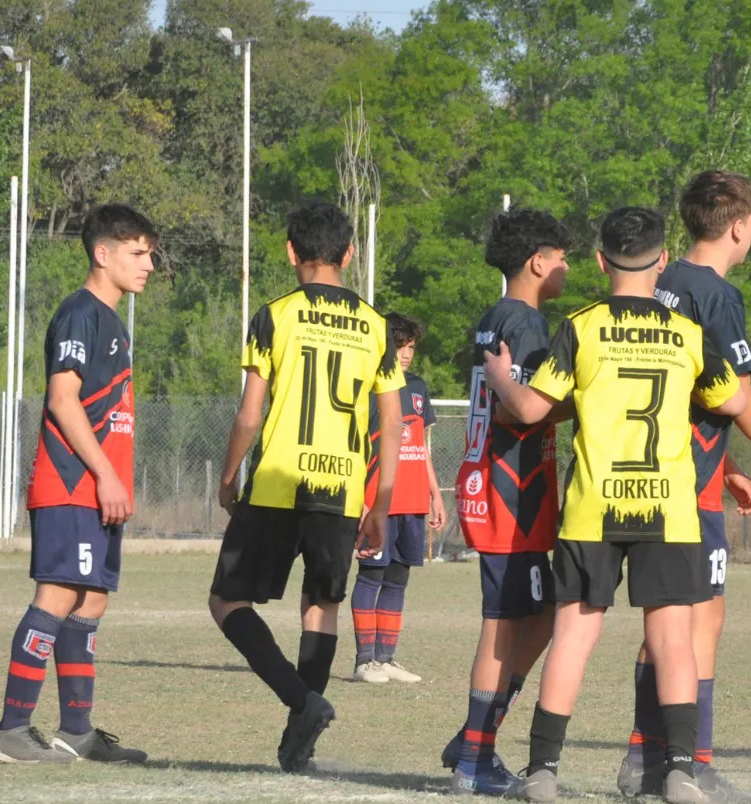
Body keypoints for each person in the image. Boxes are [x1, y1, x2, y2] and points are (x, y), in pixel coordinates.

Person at [488, 206, 747, 803]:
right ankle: (681, 770)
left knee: (574, 636)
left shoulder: (580, 326)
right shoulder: (687, 334)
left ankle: (543, 773)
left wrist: (503, 375)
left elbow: (529, 410)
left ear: (601, 261)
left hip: (593, 507)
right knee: (673, 639)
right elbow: (730, 402)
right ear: (662, 261)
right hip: (669, 508)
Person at [621, 170, 751, 802]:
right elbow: (737, 399)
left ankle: (640, 760)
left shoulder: (659, 282)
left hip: (648, 472)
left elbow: (678, 393)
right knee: (702, 618)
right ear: (740, 226)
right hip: (691, 488)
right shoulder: (717, 296)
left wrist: (732, 467)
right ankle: (691, 762)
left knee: (665, 620)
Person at [207, 201, 404, 772]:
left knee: (226, 600)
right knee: (321, 605)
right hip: (340, 488)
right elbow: (390, 421)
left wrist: (227, 477)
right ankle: (301, 741)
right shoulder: (375, 326)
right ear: (349, 253)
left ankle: (302, 703)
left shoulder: (274, 315)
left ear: (291, 253)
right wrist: (381, 503)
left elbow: (250, 414)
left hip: (274, 482)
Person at [0, 205, 157, 765]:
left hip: (100, 490)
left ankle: (76, 732)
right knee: (57, 596)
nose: (149, 264)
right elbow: (62, 399)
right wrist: (106, 473)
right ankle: (12, 730)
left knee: (92, 601)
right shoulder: (80, 313)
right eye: (138, 252)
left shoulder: (115, 323)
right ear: (102, 254)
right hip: (71, 484)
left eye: (150, 253)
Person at [443, 208, 571, 796]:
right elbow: (523, 408)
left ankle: (476, 732)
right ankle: (474, 758)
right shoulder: (523, 323)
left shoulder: (497, 317)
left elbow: (525, 403)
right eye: (562, 256)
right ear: (538, 261)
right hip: (508, 495)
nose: (567, 267)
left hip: (504, 489)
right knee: (503, 623)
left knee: (542, 614)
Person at [350, 312, 445, 684]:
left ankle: (386, 658)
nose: (405, 355)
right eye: (399, 346)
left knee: (397, 579)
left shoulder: (418, 387)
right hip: (378, 500)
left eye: (410, 348)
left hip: (413, 499)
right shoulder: (369, 386)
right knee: (371, 576)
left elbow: (421, 445)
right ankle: (364, 661)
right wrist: (360, 500)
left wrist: (435, 494)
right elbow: (356, 446)